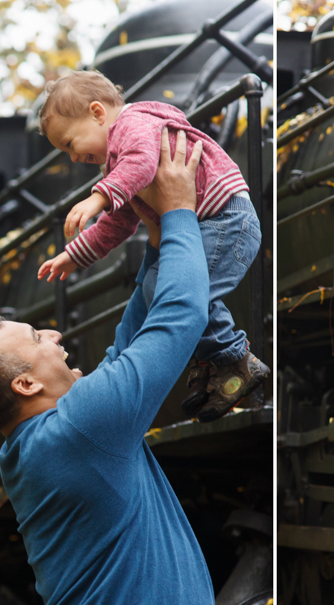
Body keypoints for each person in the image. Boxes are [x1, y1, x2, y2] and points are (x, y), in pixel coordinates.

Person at [0, 130, 216, 605]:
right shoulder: (82, 429)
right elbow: (178, 318)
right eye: (37, 336)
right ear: (25, 382)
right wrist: (183, 213)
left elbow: (130, 341)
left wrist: (159, 238)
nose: (56, 332)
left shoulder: (47, 438)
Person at [35, 70, 268, 423]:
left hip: (227, 221)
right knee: (153, 287)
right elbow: (119, 223)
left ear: (98, 113)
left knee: (172, 289)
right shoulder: (116, 162)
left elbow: (142, 163)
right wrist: (74, 254)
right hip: (206, 226)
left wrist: (97, 198)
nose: (72, 157)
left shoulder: (135, 123)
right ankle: (212, 363)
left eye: (69, 144)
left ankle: (235, 359)